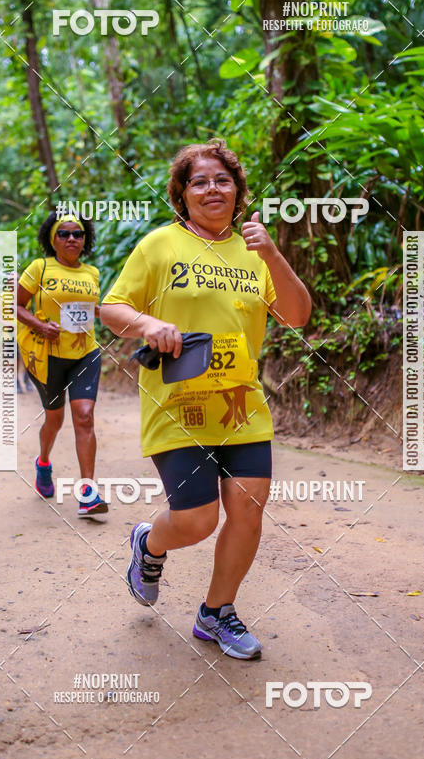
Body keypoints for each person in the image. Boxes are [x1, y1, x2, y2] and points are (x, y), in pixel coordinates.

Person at [101, 138, 311, 660]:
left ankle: (216, 613)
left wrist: (273, 254)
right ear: (182, 193)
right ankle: (149, 544)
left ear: (238, 191)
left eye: (222, 180)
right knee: (196, 521)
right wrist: (148, 324)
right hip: (179, 406)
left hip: (242, 406)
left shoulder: (255, 253)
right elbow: (112, 308)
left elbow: (297, 316)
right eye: (199, 181)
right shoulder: (160, 245)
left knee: (248, 511)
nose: (212, 188)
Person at [17, 213, 106, 518]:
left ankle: (88, 494)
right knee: (54, 420)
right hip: (48, 357)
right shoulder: (40, 268)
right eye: (64, 233)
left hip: (85, 353)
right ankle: (43, 462)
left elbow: (90, 309)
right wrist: (40, 326)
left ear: (85, 240)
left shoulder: (92, 272)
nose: (71, 238)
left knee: (84, 417)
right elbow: (15, 304)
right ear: (52, 239)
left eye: (78, 234)